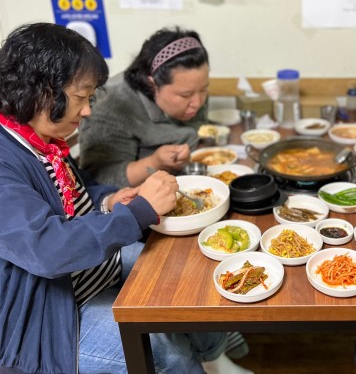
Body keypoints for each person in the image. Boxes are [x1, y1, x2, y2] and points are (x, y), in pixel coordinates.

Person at [0, 23, 252, 374]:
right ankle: (197, 362)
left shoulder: (42, 142)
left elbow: (81, 191)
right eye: (81, 96)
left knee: (187, 267)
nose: (87, 110)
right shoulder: (5, 160)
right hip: (50, 316)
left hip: (88, 270)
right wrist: (137, 213)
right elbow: (46, 249)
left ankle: (213, 360)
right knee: (167, 352)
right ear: (43, 91)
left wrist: (112, 200)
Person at [79, 27, 210, 188]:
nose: (198, 102)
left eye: (204, 89)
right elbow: (100, 178)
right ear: (152, 83)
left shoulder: (192, 86)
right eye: (185, 95)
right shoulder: (112, 106)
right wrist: (155, 162)